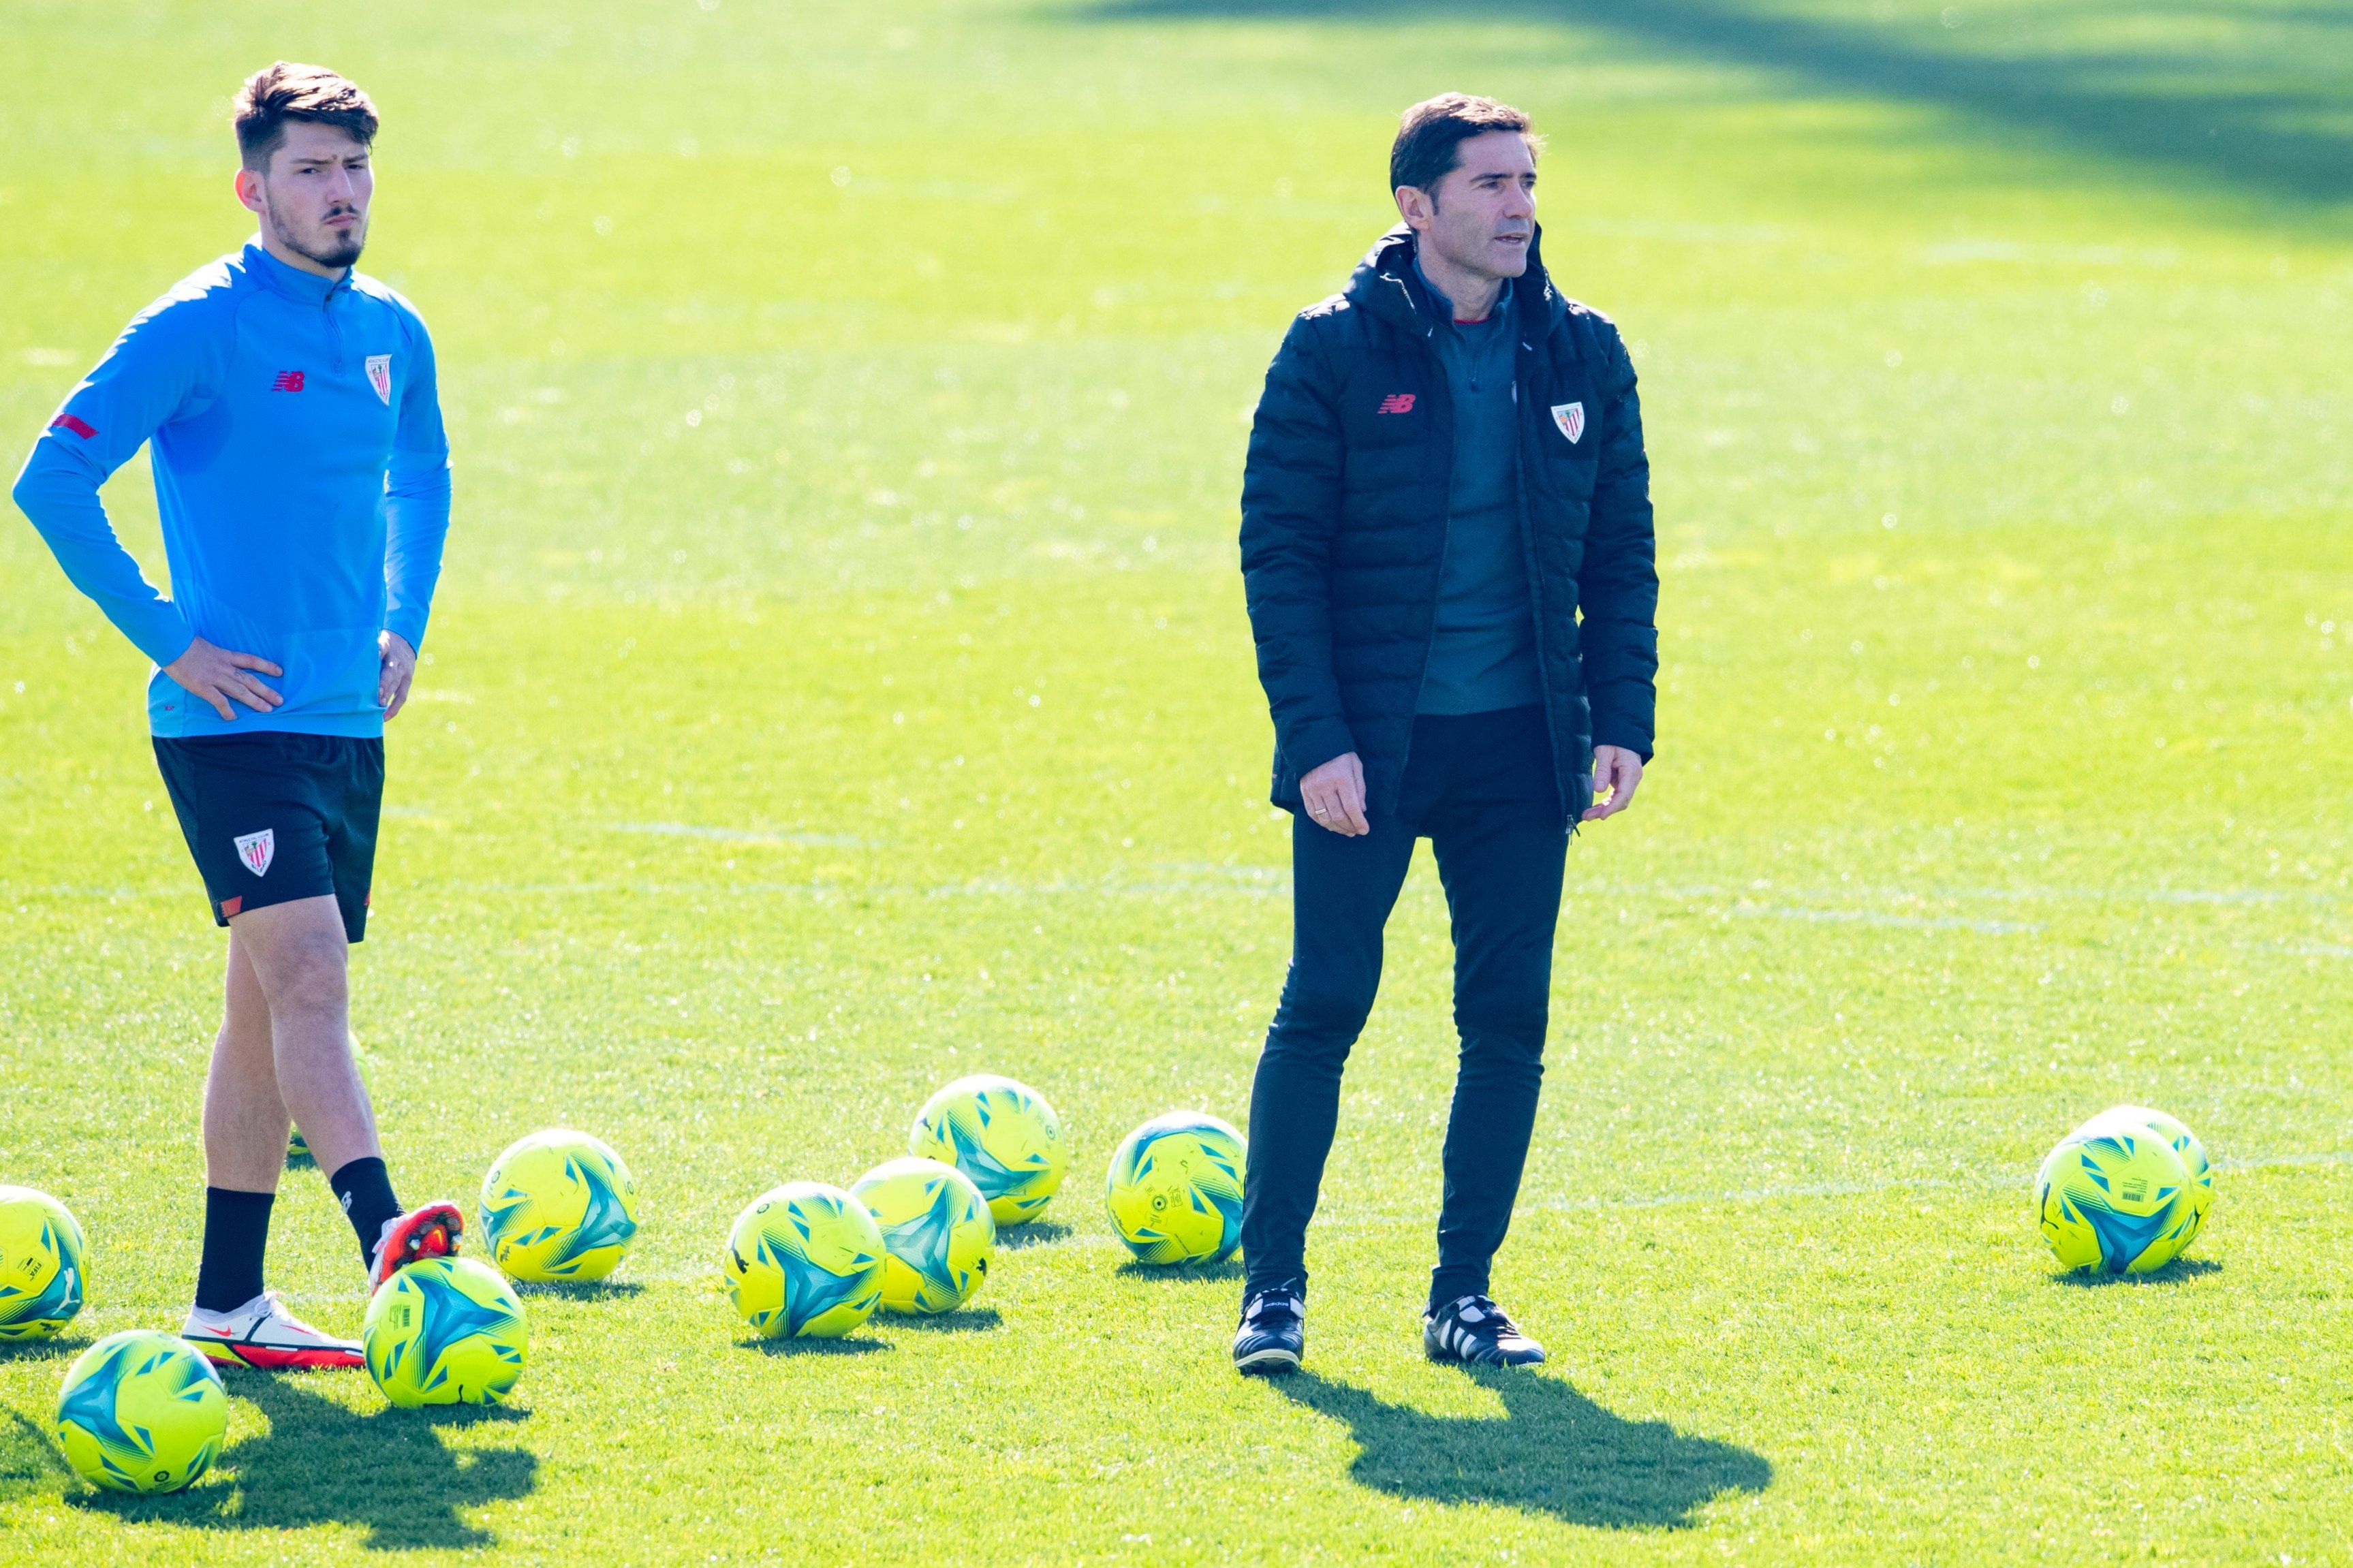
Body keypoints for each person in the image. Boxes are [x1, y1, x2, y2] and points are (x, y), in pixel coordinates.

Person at [12, 63, 464, 1369]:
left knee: (264, 1010)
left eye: (354, 167)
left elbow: (422, 470)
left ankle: (227, 1301)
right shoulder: (197, 326)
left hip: (345, 718)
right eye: (311, 170)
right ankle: (384, 1229)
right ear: (251, 187)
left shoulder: (391, 329)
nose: (341, 192)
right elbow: (52, 477)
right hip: (228, 724)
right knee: (311, 974)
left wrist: (403, 616)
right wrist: (173, 640)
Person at [1231, 94, 1659, 1373]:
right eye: (1490, 184)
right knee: (1325, 1002)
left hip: (1520, 750)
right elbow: (1279, 556)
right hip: (1371, 748)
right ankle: (1272, 1292)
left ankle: (1462, 1295)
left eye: (1526, 182)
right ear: (1415, 206)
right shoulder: (1329, 349)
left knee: (1507, 1018)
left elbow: (1619, 552)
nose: (1520, 206)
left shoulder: (1583, 352)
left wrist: (1620, 718)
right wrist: (1316, 739)